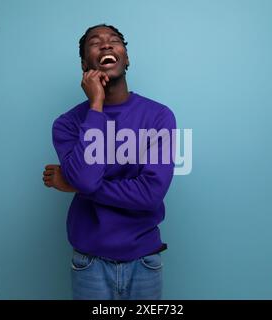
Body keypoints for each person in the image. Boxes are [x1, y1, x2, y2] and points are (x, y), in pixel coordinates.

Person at [42, 24, 176, 300]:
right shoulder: (67, 124)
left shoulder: (159, 117)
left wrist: (74, 185)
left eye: (114, 40)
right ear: (84, 64)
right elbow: (88, 178)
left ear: (126, 58)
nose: (106, 44)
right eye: (95, 42)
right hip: (89, 263)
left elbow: (150, 194)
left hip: (145, 261)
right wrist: (96, 106)